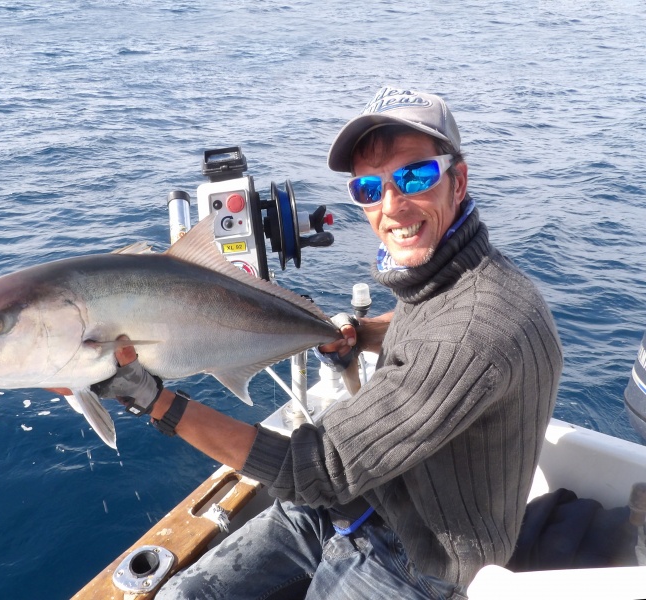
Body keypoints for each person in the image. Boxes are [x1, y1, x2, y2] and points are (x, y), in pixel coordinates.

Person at [97, 86, 563, 599]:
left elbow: (313, 469)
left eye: (415, 175)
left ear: (459, 179)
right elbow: (428, 327)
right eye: (368, 188)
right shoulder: (452, 274)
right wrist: (363, 335)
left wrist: (152, 398)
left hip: (423, 561)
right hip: (363, 499)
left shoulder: (480, 328)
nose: (392, 205)